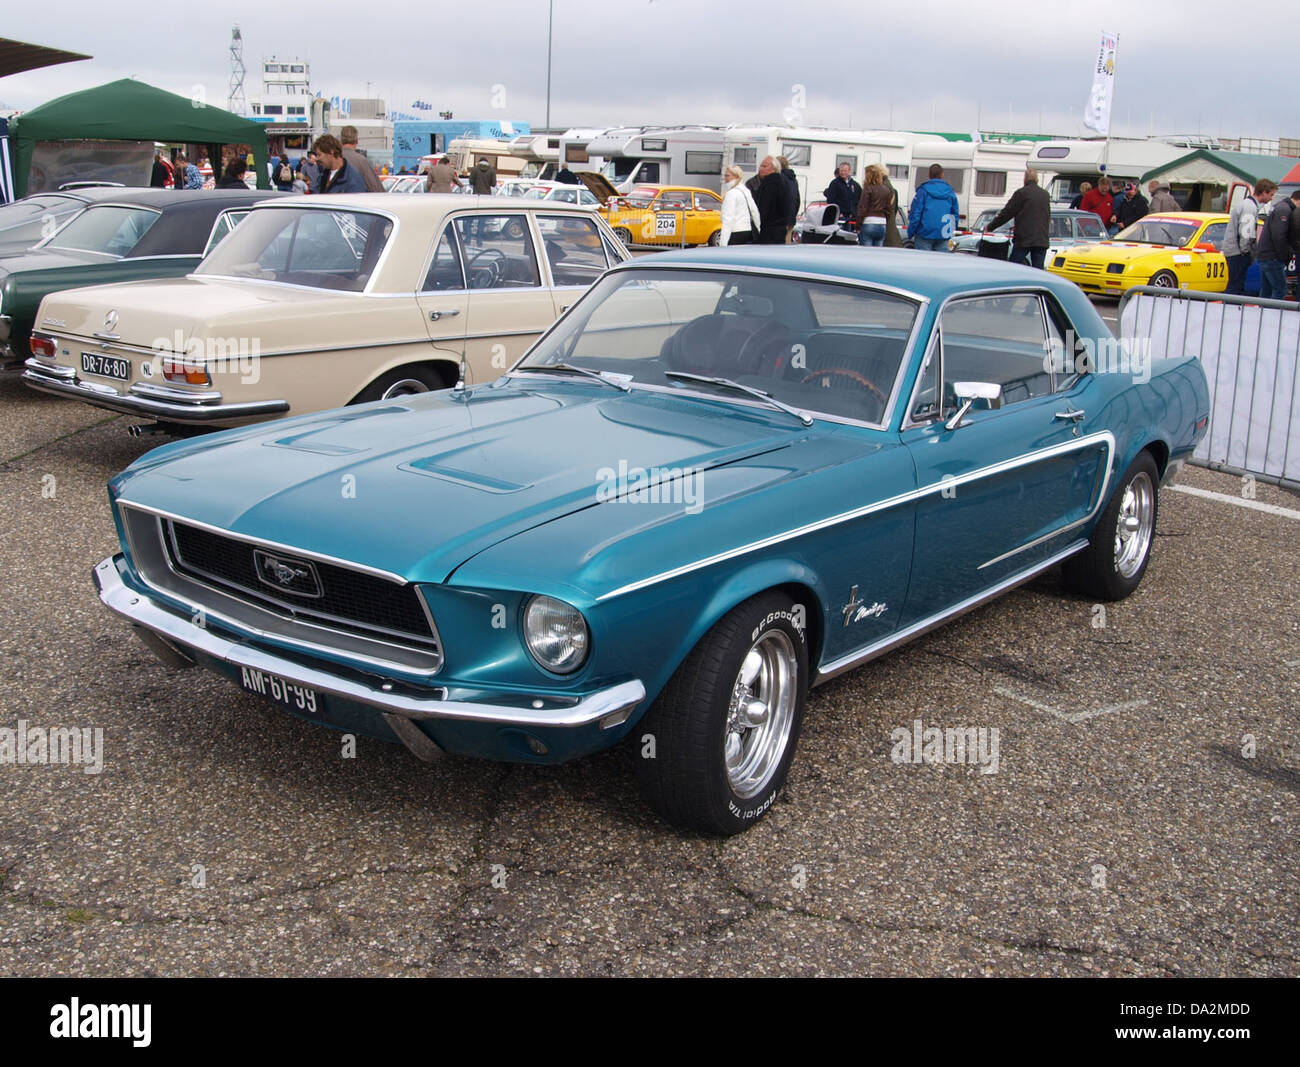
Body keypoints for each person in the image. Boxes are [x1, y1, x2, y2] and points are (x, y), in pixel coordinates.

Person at [987, 168, 1051, 268]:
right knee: (1038, 270)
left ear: (1025, 179)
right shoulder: (1045, 195)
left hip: (1024, 238)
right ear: (1037, 179)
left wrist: (991, 226)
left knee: (1013, 267)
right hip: (1041, 239)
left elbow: (1007, 212)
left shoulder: (1021, 193)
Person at [1224, 179, 1276, 296]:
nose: (1272, 198)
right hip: (1238, 253)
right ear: (1263, 192)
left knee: (1235, 284)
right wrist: (1246, 252)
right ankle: (1230, 310)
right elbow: (1245, 233)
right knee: (1235, 286)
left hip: (1233, 250)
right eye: (1271, 194)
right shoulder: (1250, 207)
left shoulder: (1245, 204)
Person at [1256, 188, 1299, 300]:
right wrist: (1284, 255)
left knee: (1266, 291)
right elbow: (1279, 236)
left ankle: (1262, 315)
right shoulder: (1285, 210)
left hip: (1266, 255)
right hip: (1273, 257)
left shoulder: (1281, 207)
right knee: (1280, 290)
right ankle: (1273, 316)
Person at [908, 164, 960, 251]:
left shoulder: (923, 191)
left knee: (923, 262)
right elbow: (955, 214)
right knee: (941, 262)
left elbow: (915, 213)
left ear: (929, 175)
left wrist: (911, 232)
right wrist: (950, 231)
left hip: (924, 233)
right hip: (944, 233)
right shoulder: (950, 192)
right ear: (942, 175)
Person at [719, 165, 761, 245]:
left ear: (736, 176)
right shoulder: (745, 191)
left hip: (735, 232)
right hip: (747, 231)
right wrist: (759, 229)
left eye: (727, 175)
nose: (725, 178)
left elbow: (728, 219)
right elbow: (755, 212)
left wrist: (723, 243)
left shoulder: (731, 194)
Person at [854, 164, 892, 246]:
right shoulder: (886, 189)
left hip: (868, 222)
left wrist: (858, 226)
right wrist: (885, 222)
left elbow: (863, 208)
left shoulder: (868, 188)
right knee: (877, 255)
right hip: (882, 223)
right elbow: (888, 209)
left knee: (866, 254)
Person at [340, 125, 385, 192]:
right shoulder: (361, 160)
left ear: (341, 140)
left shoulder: (334, 159)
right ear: (357, 141)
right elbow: (376, 188)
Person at [754, 156, 788, 244]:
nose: (761, 169)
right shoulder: (782, 182)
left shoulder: (770, 185)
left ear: (774, 169)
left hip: (769, 232)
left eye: (765, 166)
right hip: (779, 230)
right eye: (761, 166)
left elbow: (764, 210)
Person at [824, 163, 861, 233]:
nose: (843, 172)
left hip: (851, 218)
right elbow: (830, 200)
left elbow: (859, 200)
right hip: (840, 217)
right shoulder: (834, 183)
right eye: (841, 171)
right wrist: (838, 212)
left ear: (849, 171)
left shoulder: (855, 185)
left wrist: (855, 212)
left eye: (845, 170)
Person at [777, 156, 800, 243]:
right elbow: (797, 200)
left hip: (781, 219)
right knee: (787, 243)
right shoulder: (794, 180)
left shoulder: (779, 178)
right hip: (791, 219)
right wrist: (793, 214)